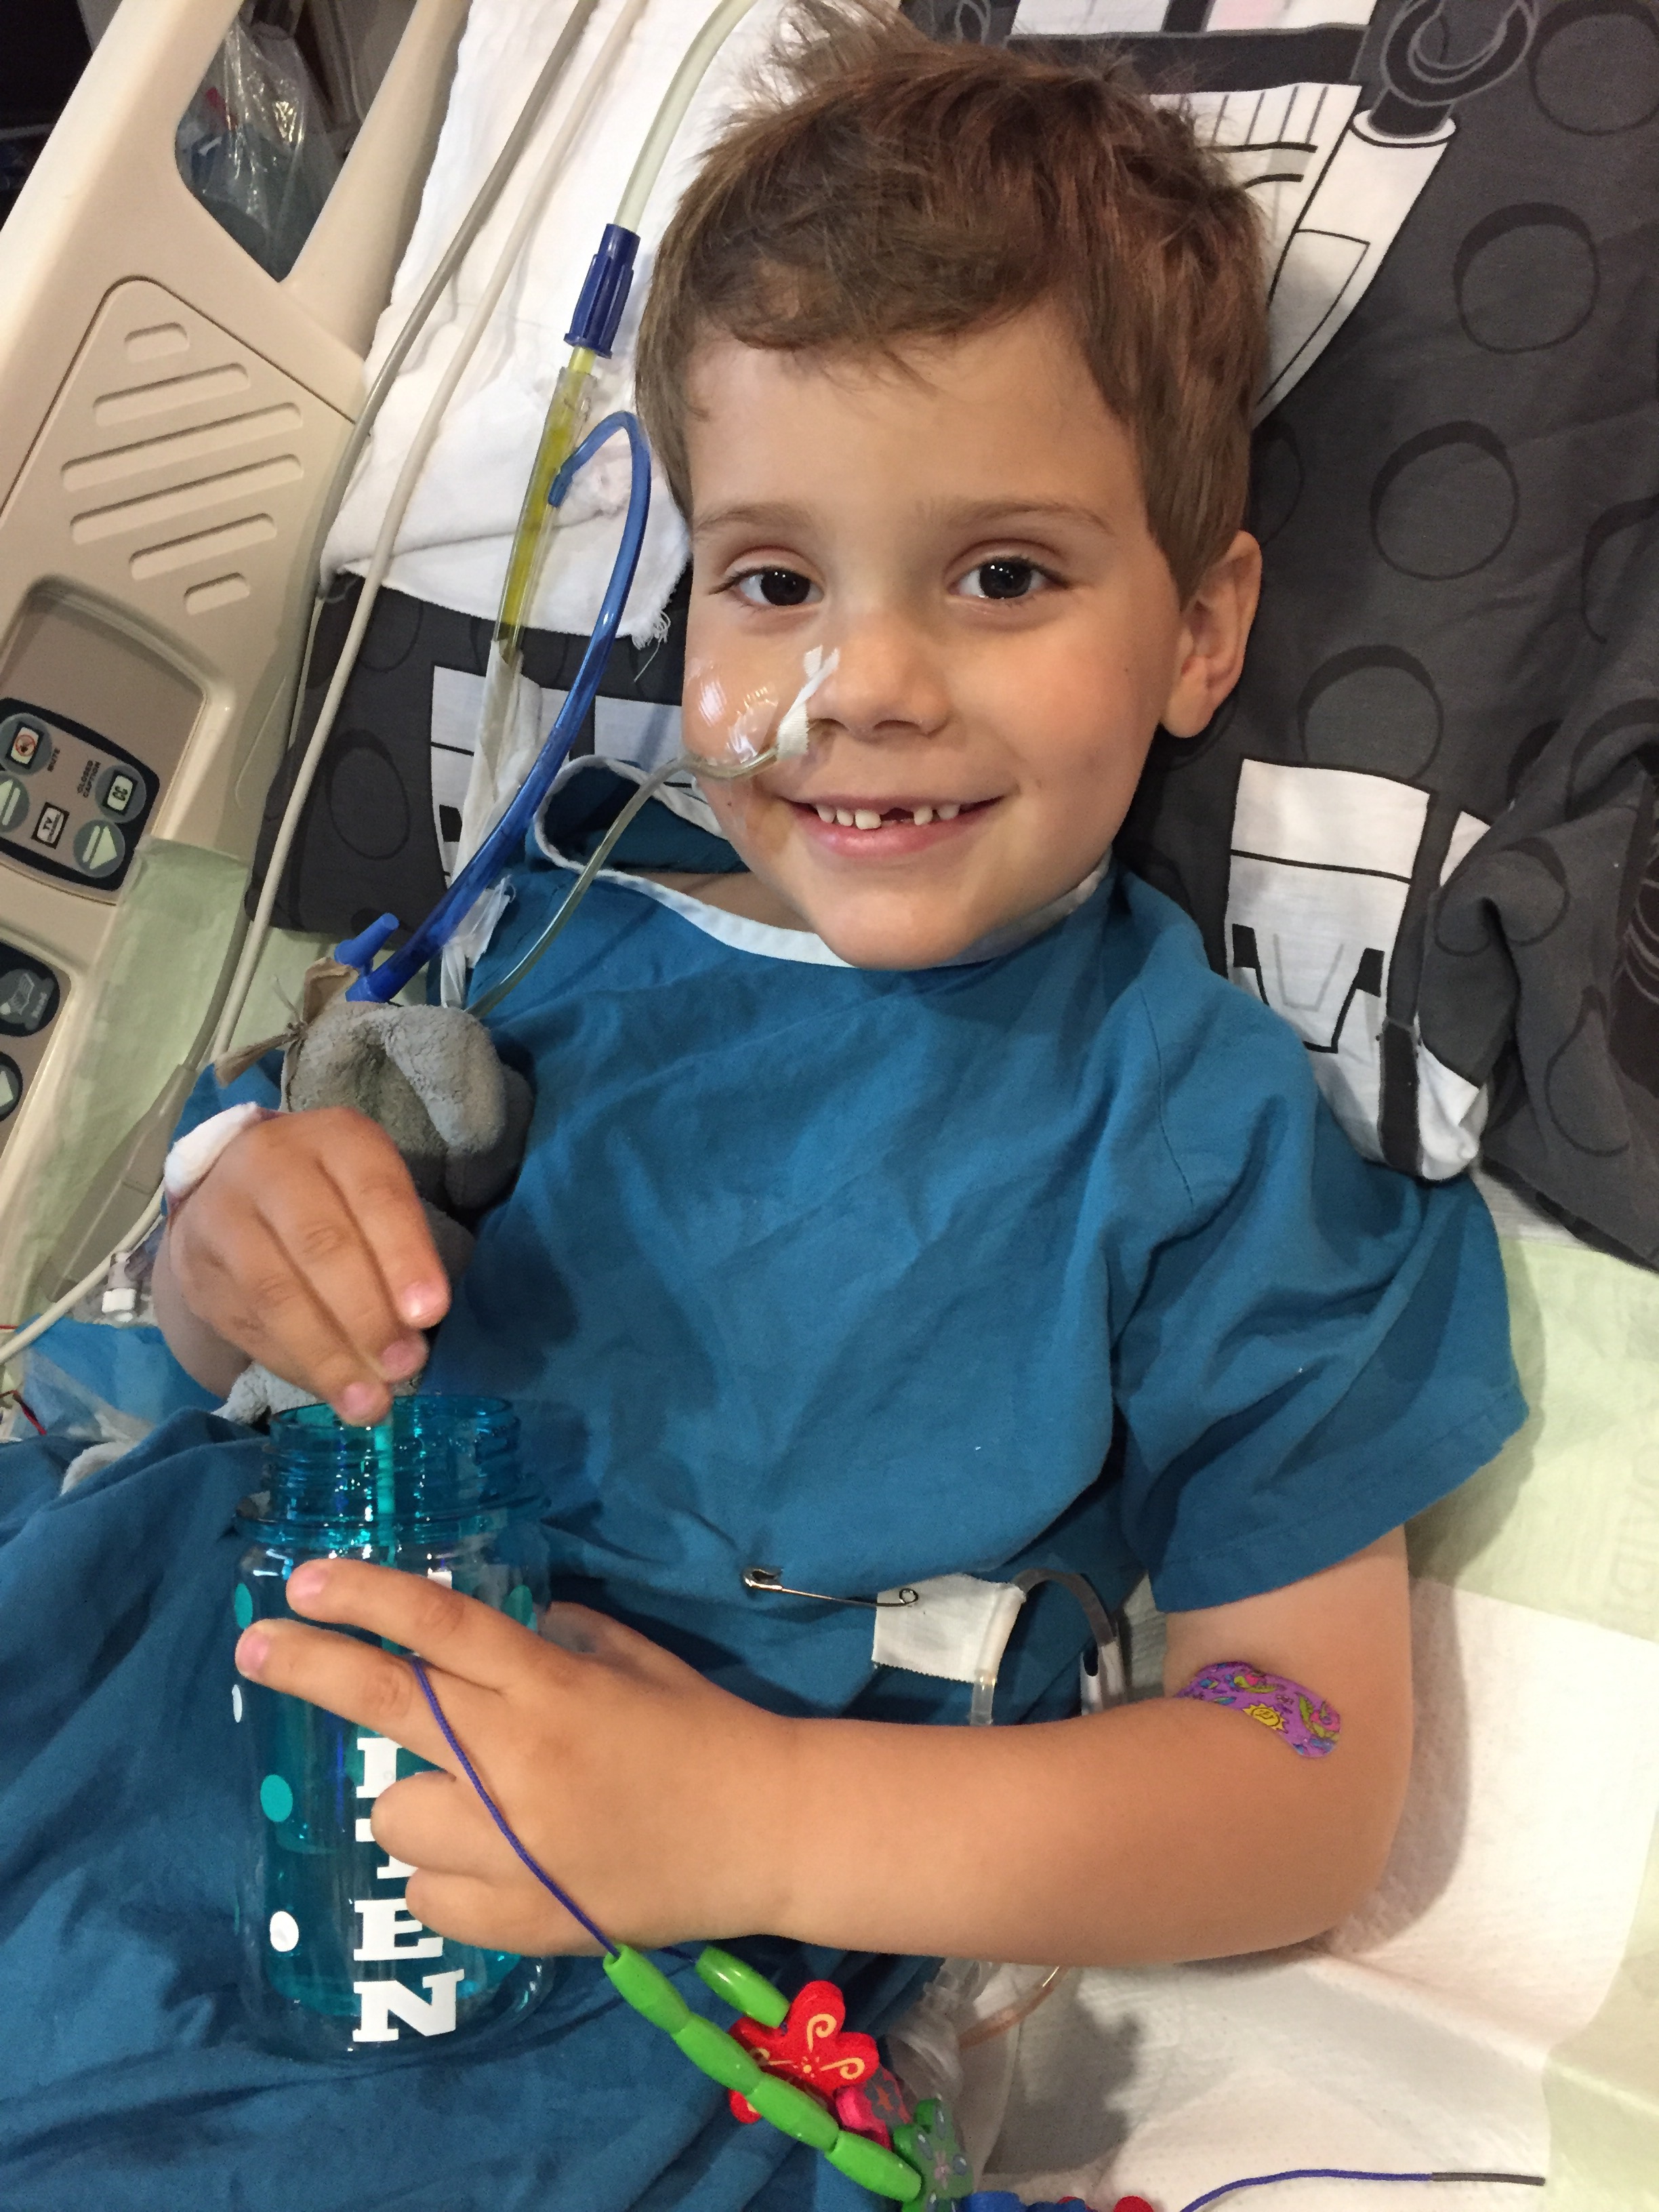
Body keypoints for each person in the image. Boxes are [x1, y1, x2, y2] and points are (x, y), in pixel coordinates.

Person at [133, 7, 1519, 2196]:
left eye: (1004, 575)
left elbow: (1305, 1779)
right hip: (145, 1712)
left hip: (582, 2004)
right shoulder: (542, 938)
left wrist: (749, 1818)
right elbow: (202, 1309)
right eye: (774, 581)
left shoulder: (1190, 1133)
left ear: (1200, 629)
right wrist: (232, 1243)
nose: (860, 683)